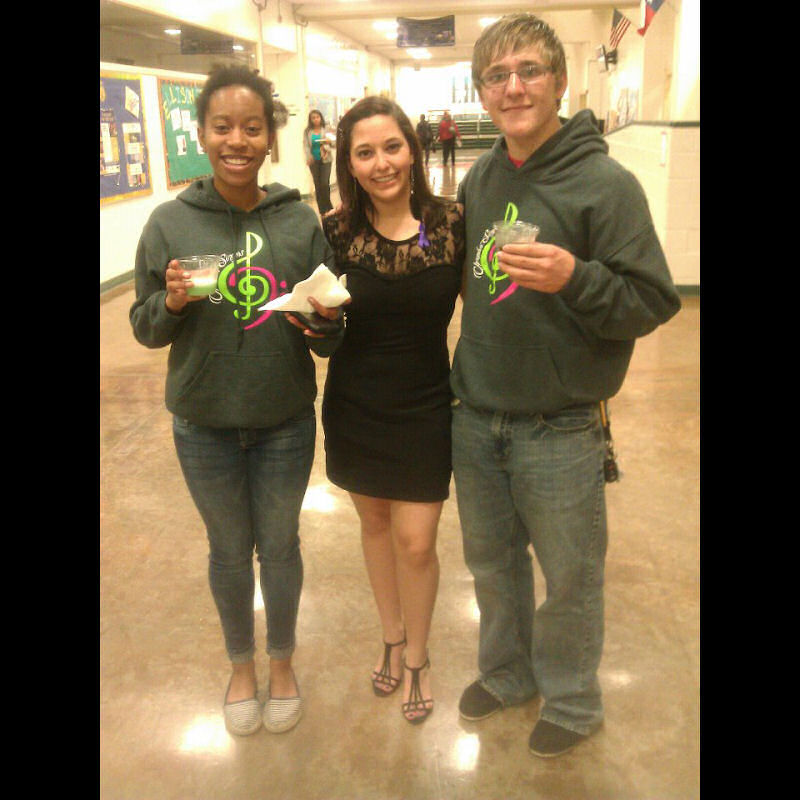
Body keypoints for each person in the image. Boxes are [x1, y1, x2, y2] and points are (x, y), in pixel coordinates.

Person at [450, 14, 681, 757]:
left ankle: (574, 702)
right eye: (496, 76)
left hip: (561, 424)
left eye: (529, 70)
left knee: (571, 578)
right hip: (476, 415)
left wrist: (575, 277)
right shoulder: (483, 176)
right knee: (492, 567)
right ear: (483, 93)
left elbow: (651, 300)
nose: (513, 87)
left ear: (559, 82)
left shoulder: (605, 185)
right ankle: (508, 674)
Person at [129, 65, 343, 738]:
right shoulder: (169, 223)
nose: (237, 141)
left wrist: (326, 323)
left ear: (270, 136)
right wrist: (170, 303)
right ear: (201, 134)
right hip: (204, 425)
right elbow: (144, 328)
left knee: (279, 549)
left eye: (252, 127)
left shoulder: (299, 220)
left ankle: (282, 663)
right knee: (227, 553)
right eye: (222, 127)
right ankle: (241, 667)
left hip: (284, 420)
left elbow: (331, 331)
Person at [321, 96, 465, 724]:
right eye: (365, 152)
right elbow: (321, 324)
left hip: (427, 406)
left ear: (413, 148)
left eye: (391, 147)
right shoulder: (336, 231)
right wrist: (315, 324)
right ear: (349, 164)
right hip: (356, 406)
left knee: (417, 542)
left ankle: (419, 657)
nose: (381, 163)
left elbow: (488, 305)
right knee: (376, 528)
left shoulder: (450, 223)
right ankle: (392, 636)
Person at [303, 109, 335, 214]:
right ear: (310, 120)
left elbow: (333, 144)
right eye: (313, 118)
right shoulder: (307, 131)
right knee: (318, 185)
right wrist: (309, 157)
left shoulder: (326, 129)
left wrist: (328, 143)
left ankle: (329, 208)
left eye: (317, 117)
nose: (316, 119)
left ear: (321, 118)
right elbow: (306, 145)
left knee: (324, 183)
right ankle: (322, 210)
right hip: (314, 161)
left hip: (326, 159)